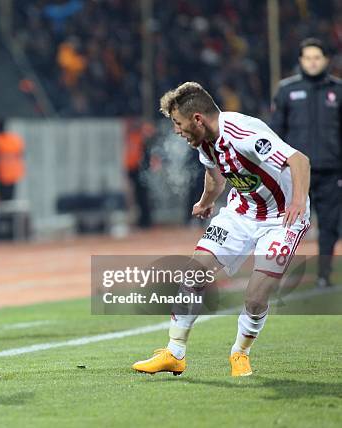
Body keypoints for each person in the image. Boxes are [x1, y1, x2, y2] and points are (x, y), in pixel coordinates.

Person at [131, 82, 310, 377]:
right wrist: (205, 202)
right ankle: (174, 353)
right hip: (241, 213)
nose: (176, 130)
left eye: (178, 123)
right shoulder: (203, 141)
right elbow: (215, 176)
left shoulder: (244, 134)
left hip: (282, 218)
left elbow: (299, 160)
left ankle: (240, 353)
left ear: (197, 119)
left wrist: (298, 201)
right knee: (193, 273)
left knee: (254, 297)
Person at [270, 37, 341, 289]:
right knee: (286, 224)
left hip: (331, 171)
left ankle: (323, 274)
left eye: (317, 57)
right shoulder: (286, 90)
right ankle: (276, 272)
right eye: (307, 57)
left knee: (330, 225)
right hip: (296, 173)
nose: (312, 62)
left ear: (326, 60)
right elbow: (275, 132)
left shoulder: (338, 90)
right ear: (300, 60)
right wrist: (276, 167)